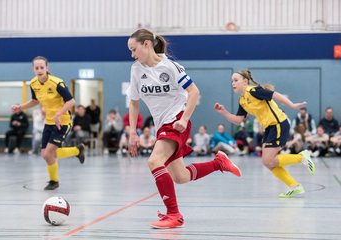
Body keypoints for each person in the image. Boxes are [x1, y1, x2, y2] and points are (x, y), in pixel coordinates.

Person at [127, 29, 241, 229]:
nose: (132, 54)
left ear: (146, 44)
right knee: (181, 177)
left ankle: (174, 215)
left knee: (154, 161)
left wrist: (185, 118)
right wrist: (131, 132)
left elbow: (194, 92)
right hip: (162, 125)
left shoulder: (170, 67)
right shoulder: (136, 69)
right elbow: (134, 102)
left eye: (134, 49)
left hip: (177, 120)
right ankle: (218, 163)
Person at [214, 69, 315, 198]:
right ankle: (294, 186)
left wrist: (291, 105)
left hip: (279, 124)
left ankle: (302, 157)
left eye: (236, 80)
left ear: (245, 81)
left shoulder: (253, 91)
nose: (233, 83)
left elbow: (274, 94)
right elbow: (239, 120)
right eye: (231, 81)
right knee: (268, 162)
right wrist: (224, 112)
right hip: (269, 128)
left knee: (268, 160)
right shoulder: (242, 100)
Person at [11, 56, 85, 190]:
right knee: (45, 154)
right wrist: (20, 107)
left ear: (47, 68)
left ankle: (54, 181)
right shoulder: (33, 83)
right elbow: (35, 101)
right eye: (36, 68)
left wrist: (58, 114)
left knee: (47, 154)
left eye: (42, 67)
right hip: (49, 122)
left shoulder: (57, 83)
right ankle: (76, 151)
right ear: (33, 69)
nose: (39, 70)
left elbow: (71, 101)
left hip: (63, 122)